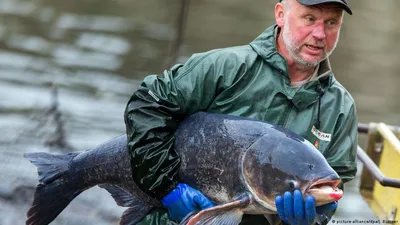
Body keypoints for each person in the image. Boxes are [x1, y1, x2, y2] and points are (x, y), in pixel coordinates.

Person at [124, 0, 358, 224]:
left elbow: (334, 188)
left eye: (331, 23)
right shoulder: (224, 67)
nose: (320, 34)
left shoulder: (341, 107)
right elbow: (147, 106)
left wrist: (312, 220)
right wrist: (168, 190)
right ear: (280, 14)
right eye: (309, 18)